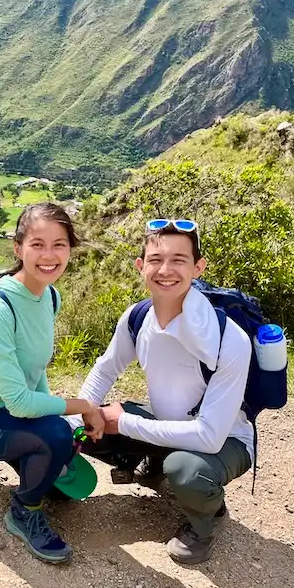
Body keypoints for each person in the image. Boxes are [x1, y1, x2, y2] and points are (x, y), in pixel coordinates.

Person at [77, 219, 253, 564]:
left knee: (186, 470)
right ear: (141, 266)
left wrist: (124, 423)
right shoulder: (138, 318)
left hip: (225, 441)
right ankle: (152, 465)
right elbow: (107, 366)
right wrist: (87, 409)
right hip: (167, 423)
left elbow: (209, 437)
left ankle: (207, 519)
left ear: (198, 267)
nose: (166, 270)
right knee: (83, 431)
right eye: (156, 259)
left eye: (179, 260)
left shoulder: (229, 339)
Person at [0, 203, 105, 564]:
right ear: (18, 248)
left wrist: (58, 423)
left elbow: (34, 371)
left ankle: (33, 456)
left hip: (8, 411)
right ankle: (23, 511)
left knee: (58, 447)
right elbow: (18, 402)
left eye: (59, 245)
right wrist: (83, 409)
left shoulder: (49, 295)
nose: (49, 256)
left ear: (70, 249)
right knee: (56, 440)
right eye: (38, 244)